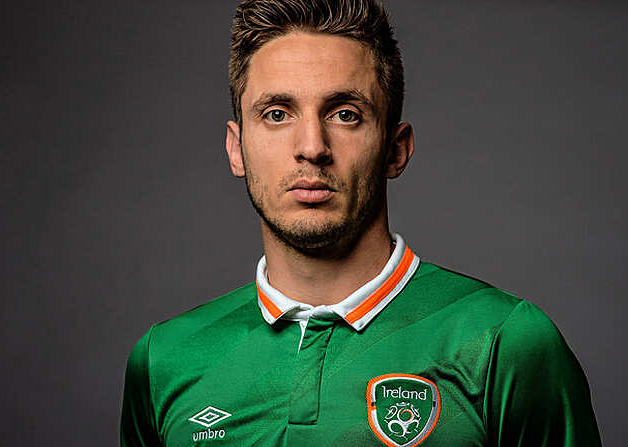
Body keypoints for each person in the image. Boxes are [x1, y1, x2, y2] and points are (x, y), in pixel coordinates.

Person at [120, 0, 602, 445]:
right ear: (235, 147)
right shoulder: (164, 360)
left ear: (396, 149)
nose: (311, 146)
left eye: (346, 114)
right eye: (276, 113)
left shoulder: (504, 343)